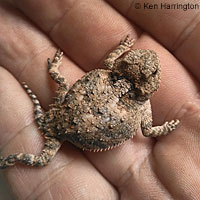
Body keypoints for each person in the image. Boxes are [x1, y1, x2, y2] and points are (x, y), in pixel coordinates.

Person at [0, 0, 199, 199]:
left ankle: (54, 72)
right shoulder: (141, 105)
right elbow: (148, 131)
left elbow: (109, 60)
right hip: (71, 121)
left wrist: (122, 48)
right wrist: (166, 128)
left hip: (74, 119)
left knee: (61, 88)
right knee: (42, 156)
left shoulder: (120, 79)